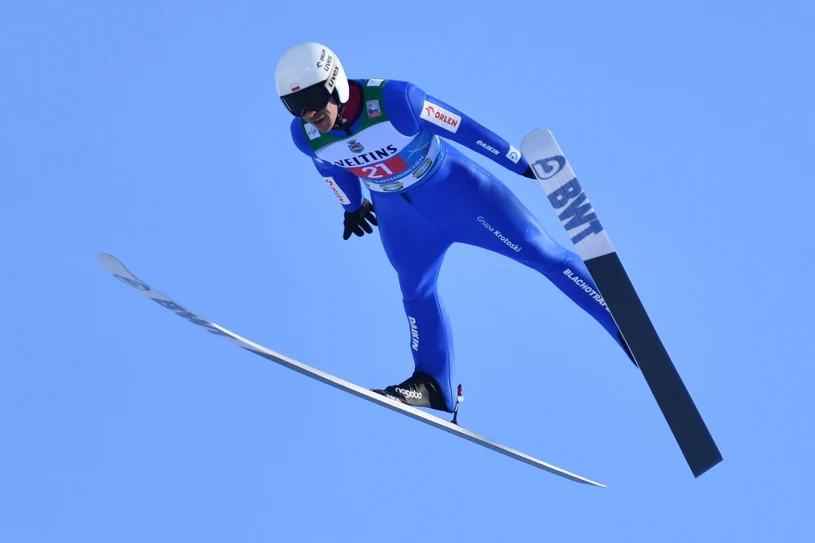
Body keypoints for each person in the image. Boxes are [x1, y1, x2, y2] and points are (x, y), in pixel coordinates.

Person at [275, 42, 634, 414]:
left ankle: (623, 321)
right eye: (295, 106)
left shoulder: (397, 99)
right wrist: (351, 207)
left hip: (458, 194)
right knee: (416, 292)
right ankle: (432, 383)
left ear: (336, 83)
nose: (309, 113)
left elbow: (463, 128)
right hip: (401, 219)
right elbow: (330, 167)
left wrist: (520, 163)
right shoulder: (306, 135)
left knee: (542, 253)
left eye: (315, 99)